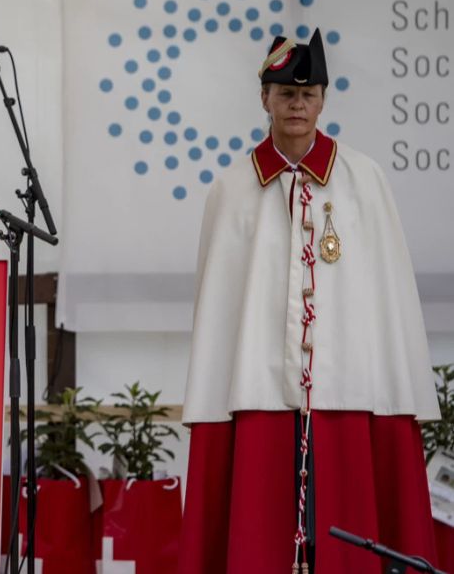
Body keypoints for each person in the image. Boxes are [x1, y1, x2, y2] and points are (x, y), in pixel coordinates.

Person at [179, 29, 441, 573]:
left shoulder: (364, 180)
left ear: (323, 100)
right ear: (264, 99)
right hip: (258, 392)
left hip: (350, 390)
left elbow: (384, 294)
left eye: (308, 94)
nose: (297, 105)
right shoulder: (231, 189)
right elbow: (222, 309)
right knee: (263, 537)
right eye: (285, 93)